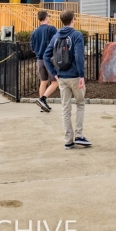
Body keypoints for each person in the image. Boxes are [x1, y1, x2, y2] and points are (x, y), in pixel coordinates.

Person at [43, 9, 91, 149]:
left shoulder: (56, 36)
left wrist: (54, 73)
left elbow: (46, 56)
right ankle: (79, 135)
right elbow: (79, 56)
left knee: (65, 108)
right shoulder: (77, 35)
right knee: (80, 104)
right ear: (73, 20)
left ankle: (68, 140)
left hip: (62, 77)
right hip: (75, 76)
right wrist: (82, 75)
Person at [30, 10, 59, 112]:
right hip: (49, 59)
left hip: (39, 59)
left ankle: (42, 105)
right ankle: (43, 99)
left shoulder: (34, 32)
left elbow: (32, 47)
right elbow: (56, 43)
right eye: (49, 16)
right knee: (55, 82)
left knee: (43, 82)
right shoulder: (51, 29)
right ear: (46, 17)